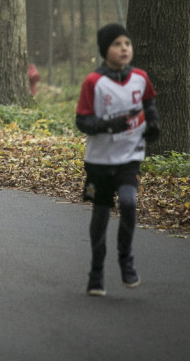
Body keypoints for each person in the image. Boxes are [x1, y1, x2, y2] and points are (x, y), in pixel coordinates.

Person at [75, 23, 160, 297]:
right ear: (105, 50)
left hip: (129, 157)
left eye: (127, 43)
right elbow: (83, 121)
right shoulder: (93, 82)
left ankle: (126, 260)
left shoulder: (140, 78)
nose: (124, 48)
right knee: (101, 214)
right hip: (100, 161)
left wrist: (153, 124)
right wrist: (109, 125)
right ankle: (96, 273)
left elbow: (149, 104)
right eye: (117, 44)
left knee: (128, 202)